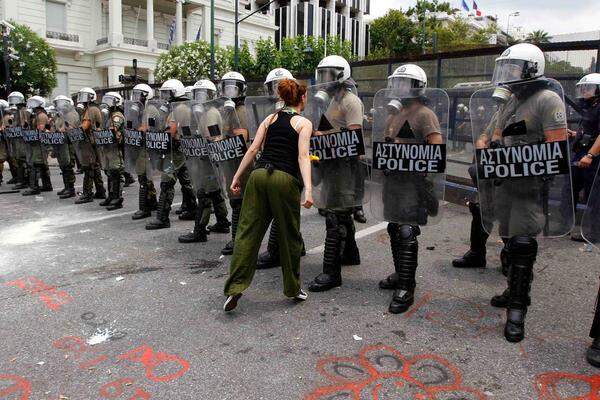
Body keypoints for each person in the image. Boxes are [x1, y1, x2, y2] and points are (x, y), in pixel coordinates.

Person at [472, 43, 571, 342]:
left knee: (523, 242)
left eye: (513, 67)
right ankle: (511, 288)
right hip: (503, 183)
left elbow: (556, 148)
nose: (507, 74)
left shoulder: (547, 99)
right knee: (507, 239)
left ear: (531, 69)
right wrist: (487, 150)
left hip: (529, 186)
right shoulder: (509, 102)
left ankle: (518, 309)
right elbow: (484, 136)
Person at [223, 79, 313, 312]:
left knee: (247, 233)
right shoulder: (303, 123)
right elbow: (303, 157)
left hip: (258, 175)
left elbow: (253, 149)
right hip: (284, 178)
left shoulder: (269, 119)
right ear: (302, 98)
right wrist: (310, 191)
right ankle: (293, 289)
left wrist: (237, 177)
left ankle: (235, 288)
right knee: (289, 235)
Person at [373, 64, 447, 314]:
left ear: (417, 87)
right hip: (393, 181)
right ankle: (399, 273)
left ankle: (407, 286)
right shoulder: (395, 114)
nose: (398, 88)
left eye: (404, 83)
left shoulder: (425, 114)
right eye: (397, 82)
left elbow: (436, 149)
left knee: (406, 230)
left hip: (412, 183)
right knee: (394, 226)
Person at [307, 55, 364, 292]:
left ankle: (332, 273)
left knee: (335, 217)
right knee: (341, 214)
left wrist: (323, 138)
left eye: (328, 74)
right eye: (322, 74)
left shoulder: (351, 102)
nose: (324, 80)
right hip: (332, 164)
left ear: (341, 75)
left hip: (345, 168)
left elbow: (355, 140)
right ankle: (350, 253)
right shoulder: (333, 102)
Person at [253, 68, 307, 269]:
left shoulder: (293, 110)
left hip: (289, 166)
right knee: (285, 211)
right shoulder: (272, 110)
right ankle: (297, 245)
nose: (276, 91)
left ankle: (276, 252)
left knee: (280, 210)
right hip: (277, 164)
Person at [178, 79, 231, 243]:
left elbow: (213, 137)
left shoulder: (210, 113)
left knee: (204, 193)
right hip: (207, 160)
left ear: (211, 95)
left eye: (203, 94)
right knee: (214, 190)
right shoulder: (206, 113)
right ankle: (222, 222)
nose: (199, 97)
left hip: (207, 161)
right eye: (197, 94)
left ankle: (199, 230)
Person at [145, 79, 198, 230]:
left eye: (168, 93)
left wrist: (158, 135)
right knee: (185, 181)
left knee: (166, 183)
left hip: (174, 152)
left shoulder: (178, 109)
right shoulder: (183, 106)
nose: (166, 96)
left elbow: (171, 131)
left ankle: (162, 218)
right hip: (183, 149)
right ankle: (193, 209)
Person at [216, 71, 250, 255]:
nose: (229, 91)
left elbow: (242, 139)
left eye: (233, 87)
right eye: (226, 86)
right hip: (231, 162)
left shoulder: (241, 111)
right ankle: (237, 238)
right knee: (236, 201)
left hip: (241, 163)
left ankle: (238, 240)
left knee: (240, 202)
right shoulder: (228, 111)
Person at [568, 73, 600, 241]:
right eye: (583, 88)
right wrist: (575, 134)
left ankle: (593, 233)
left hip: (593, 157)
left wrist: (590, 155)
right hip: (582, 153)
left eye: (588, 89)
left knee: (593, 195)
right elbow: (589, 131)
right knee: (570, 188)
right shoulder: (589, 108)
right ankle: (566, 224)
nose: (584, 92)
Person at [125, 83, 158, 220]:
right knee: (146, 176)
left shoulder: (149, 110)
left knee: (143, 175)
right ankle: (152, 203)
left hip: (146, 147)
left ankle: (144, 209)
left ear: (146, 96)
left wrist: (135, 130)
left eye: (139, 95)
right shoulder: (143, 109)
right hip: (144, 146)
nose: (136, 98)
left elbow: (144, 128)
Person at [75, 87, 106, 204]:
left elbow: (85, 126)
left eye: (84, 96)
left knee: (89, 167)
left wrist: (74, 131)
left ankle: (87, 193)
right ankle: (100, 191)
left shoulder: (91, 110)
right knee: (95, 167)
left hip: (90, 143)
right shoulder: (91, 109)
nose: (82, 99)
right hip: (94, 142)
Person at [96, 92, 125, 210]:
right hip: (108, 146)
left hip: (115, 147)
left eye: (110, 100)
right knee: (109, 172)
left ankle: (117, 199)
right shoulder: (108, 114)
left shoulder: (117, 115)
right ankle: (111, 196)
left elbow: (114, 129)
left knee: (116, 172)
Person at [21, 96, 52, 196]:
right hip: (37, 144)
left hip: (40, 144)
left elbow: (41, 130)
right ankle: (47, 185)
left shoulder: (41, 116)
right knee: (42, 164)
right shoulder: (36, 115)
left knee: (35, 164)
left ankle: (34, 187)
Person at [52, 95, 77, 199]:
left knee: (68, 166)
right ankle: (66, 187)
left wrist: (60, 130)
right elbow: (55, 127)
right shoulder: (59, 115)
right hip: (60, 143)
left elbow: (68, 128)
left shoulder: (71, 114)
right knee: (63, 166)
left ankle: (70, 189)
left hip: (68, 143)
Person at [7, 91, 29, 190]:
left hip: (23, 140)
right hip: (17, 139)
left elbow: (25, 125)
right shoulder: (15, 111)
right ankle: (21, 180)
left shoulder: (23, 110)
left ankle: (24, 181)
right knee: (19, 159)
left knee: (23, 160)